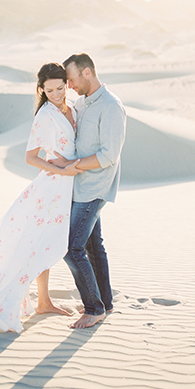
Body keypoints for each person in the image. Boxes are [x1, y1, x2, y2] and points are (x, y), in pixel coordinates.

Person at [0, 63, 82, 333]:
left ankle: (43, 301)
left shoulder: (71, 108)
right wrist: (62, 170)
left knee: (46, 244)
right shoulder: (45, 115)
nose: (56, 93)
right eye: (50, 90)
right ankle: (36, 300)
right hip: (52, 189)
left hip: (68, 186)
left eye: (60, 87)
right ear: (41, 90)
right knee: (39, 243)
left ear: (66, 84)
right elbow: (31, 157)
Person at [49, 53, 126, 329]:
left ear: (87, 73)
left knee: (71, 248)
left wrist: (72, 164)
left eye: (70, 80)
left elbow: (109, 156)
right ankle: (104, 301)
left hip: (94, 189)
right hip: (78, 186)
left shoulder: (111, 106)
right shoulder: (82, 104)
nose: (69, 86)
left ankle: (94, 309)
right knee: (94, 247)